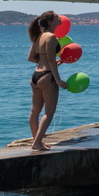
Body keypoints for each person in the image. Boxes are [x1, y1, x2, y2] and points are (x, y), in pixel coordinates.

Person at [25, 10, 68, 152]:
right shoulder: (51, 37)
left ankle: (37, 141)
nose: (59, 17)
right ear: (50, 22)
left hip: (36, 76)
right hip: (47, 76)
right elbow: (50, 60)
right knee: (49, 112)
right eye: (56, 16)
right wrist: (59, 80)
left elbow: (31, 58)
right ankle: (37, 143)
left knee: (35, 111)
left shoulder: (38, 36)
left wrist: (45, 60)